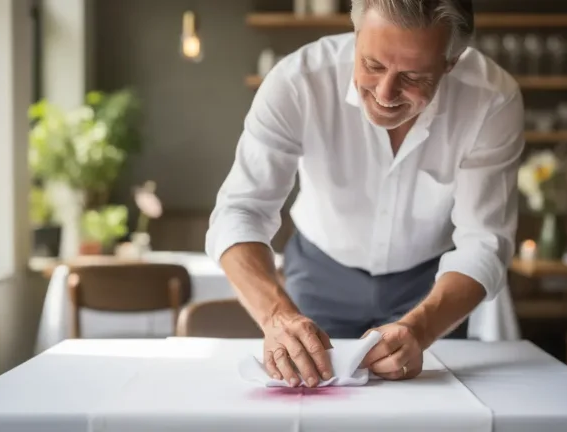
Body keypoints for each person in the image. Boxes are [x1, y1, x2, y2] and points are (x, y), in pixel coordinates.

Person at [205, 0, 524, 388]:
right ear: (356, 36)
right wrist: (277, 316)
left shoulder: (492, 99)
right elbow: (239, 211)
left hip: (432, 283)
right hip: (320, 272)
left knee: (431, 413)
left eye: (413, 76)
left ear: (450, 63)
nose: (386, 93)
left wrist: (421, 330)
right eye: (372, 65)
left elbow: (484, 242)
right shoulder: (297, 80)